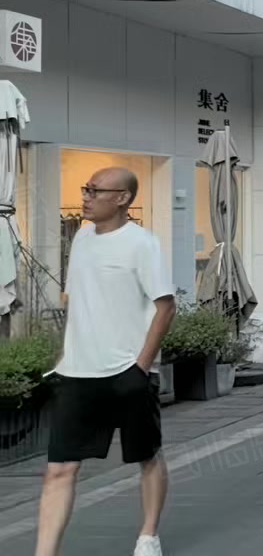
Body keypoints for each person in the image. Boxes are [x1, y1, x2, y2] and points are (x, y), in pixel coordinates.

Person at [37, 168, 176, 556]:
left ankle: (148, 535)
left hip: (127, 372)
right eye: (86, 189)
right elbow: (82, 302)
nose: (85, 197)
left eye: (94, 191)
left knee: (146, 456)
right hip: (76, 374)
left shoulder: (142, 244)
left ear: (122, 199)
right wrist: (68, 353)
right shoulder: (81, 238)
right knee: (59, 468)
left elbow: (166, 307)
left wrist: (140, 367)